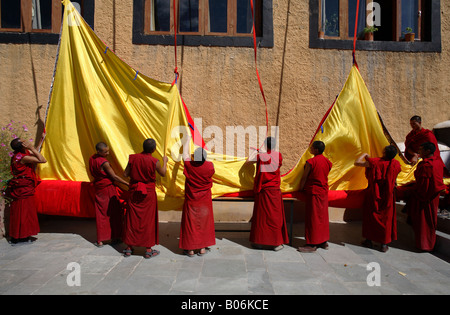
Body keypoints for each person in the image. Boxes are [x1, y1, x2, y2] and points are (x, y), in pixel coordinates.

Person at [122, 138, 168, 259]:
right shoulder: (154, 161)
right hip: (147, 193)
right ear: (153, 149)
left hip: (134, 191)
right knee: (148, 220)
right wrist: (165, 161)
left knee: (132, 219)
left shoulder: (133, 158)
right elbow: (163, 173)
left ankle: (129, 248)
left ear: (143, 147)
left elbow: (125, 174)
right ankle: (148, 249)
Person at [354, 145, 401, 252]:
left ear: (384, 153)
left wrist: (364, 155)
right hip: (388, 195)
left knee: (371, 217)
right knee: (386, 219)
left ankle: (368, 241)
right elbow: (395, 177)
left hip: (374, 194)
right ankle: (384, 244)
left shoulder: (374, 162)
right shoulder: (396, 164)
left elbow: (356, 162)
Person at [246, 136, 288, 251]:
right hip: (274, 191)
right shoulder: (278, 155)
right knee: (274, 218)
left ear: (265, 145)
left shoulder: (261, 156)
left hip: (263, 191)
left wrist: (255, 152)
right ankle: (276, 244)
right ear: (274, 145)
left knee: (261, 218)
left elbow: (248, 162)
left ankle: (258, 242)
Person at [405, 142, 446, 252]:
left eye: (421, 149)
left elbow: (425, 184)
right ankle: (425, 244)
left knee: (424, 222)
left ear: (428, 151)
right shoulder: (437, 162)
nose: (419, 151)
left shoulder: (427, 165)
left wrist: (413, 191)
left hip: (425, 197)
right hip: (432, 196)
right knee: (427, 222)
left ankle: (425, 245)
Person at [6, 138, 46, 245]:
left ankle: (17, 235)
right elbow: (42, 160)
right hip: (24, 188)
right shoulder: (23, 158)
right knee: (24, 212)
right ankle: (22, 236)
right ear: (23, 146)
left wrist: (40, 139)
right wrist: (32, 148)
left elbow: (34, 153)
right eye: (24, 142)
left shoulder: (17, 155)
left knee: (19, 212)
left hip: (19, 187)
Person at [89, 142, 129, 247]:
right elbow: (114, 177)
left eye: (108, 150)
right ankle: (115, 237)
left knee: (101, 214)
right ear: (98, 151)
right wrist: (127, 183)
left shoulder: (92, 159)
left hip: (98, 188)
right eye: (105, 151)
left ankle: (100, 240)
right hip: (107, 189)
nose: (108, 153)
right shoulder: (104, 163)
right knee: (114, 213)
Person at [179, 144, 216, 257]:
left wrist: (187, 140)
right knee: (204, 223)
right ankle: (202, 249)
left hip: (192, 200)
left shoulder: (189, 165)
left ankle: (190, 250)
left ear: (194, 158)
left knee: (191, 224)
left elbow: (185, 155)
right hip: (204, 201)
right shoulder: (209, 166)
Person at [298, 141, 332, 253]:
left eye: (312, 148)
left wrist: (301, 188)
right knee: (322, 217)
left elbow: (304, 177)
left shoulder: (311, 162)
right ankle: (323, 241)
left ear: (316, 150)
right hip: (323, 192)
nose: (310, 149)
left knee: (312, 218)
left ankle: (311, 244)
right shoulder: (328, 162)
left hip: (313, 192)